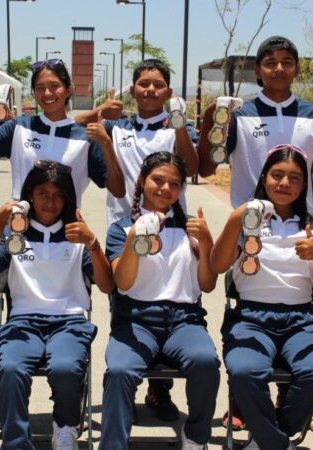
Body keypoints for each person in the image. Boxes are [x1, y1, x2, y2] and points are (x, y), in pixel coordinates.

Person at [76, 58, 200, 422]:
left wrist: (179, 126)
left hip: (171, 227)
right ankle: (126, 380)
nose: (150, 90)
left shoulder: (177, 126)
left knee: (172, 293)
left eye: (157, 84)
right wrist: (100, 117)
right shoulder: (116, 128)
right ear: (132, 90)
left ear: (169, 92)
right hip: (125, 227)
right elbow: (70, 125)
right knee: (128, 302)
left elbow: (192, 168)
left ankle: (159, 390)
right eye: (143, 83)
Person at [0, 160, 114, 450]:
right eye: (42, 194)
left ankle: (65, 428)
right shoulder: (15, 233)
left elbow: (106, 285)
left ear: (67, 199)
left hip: (69, 322)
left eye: (58, 195)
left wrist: (93, 244)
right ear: (29, 195)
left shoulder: (77, 234)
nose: (50, 203)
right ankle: (14, 440)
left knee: (65, 367)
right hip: (23, 322)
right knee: (10, 367)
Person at [210, 144, 313, 450]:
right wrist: (234, 220)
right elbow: (217, 266)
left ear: (304, 184)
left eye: (294, 178)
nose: (285, 183)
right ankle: (277, 443)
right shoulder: (248, 219)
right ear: (264, 177)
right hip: (251, 319)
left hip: (302, 320)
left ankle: (269, 437)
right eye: (277, 175)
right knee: (244, 370)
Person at [100, 151, 220, 450]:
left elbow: (207, 283)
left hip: (184, 320)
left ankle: (195, 437)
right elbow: (123, 283)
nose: (165, 189)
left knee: (206, 362)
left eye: (174, 184)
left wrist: (206, 242)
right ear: (142, 181)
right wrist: (134, 239)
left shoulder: (192, 227)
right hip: (136, 319)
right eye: (158, 180)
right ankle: (113, 444)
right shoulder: (120, 228)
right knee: (119, 371)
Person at [197, 35, 313, 217]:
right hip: (251, 226)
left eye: (287, 62)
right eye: (270, 63)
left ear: (297, 70)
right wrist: (209, 120)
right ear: (257, 71)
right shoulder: (239, 115)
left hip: (303, 225)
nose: (279, 69)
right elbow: (206, 170)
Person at [0, 58, 125, 205]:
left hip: (67, 234)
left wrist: (106, 144)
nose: (47, 93)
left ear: (68, 90)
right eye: (40, 88)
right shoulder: (18, 127)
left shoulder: (85, 138)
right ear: (34, 92)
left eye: (54, 86)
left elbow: (118, 191)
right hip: (20, 229)